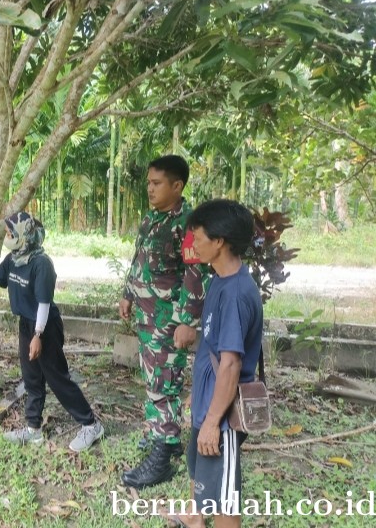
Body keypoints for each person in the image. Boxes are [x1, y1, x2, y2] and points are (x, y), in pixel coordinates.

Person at [0, 212, 104, 452]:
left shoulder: (41, 264)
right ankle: (33, 430)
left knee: (56, 377)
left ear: (23, 236)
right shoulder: (14, 258)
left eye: (10, 233)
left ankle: (90, 424)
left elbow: (44, 304)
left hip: (44, 326)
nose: (7, 237)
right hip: (26, 325)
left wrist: (38, 336)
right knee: (31, 378)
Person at [160, 199, 263, 528]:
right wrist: (199, 396)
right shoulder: (220, 279)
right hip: (209, 404)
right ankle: (193, 519)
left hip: (223, 418)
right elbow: (214, 352)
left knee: (224, 497)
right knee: (199, 468)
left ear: (219, 241)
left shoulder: (235, 293)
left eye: (197, 235)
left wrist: (211, 421)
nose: (192, 244)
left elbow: (231, 365)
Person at [120, 155, 210, 489]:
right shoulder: (152, 218)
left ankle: (163, 453)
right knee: (154, 378)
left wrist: (188, 322)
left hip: (168, 320)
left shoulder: (187, 225)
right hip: (146, 316)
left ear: (177, 185)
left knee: (164, 381)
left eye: (157, 184)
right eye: (148, 183)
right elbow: (138, 258)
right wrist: (128, 292)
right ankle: (165, 437)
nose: (150, 189)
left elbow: (196, 273)